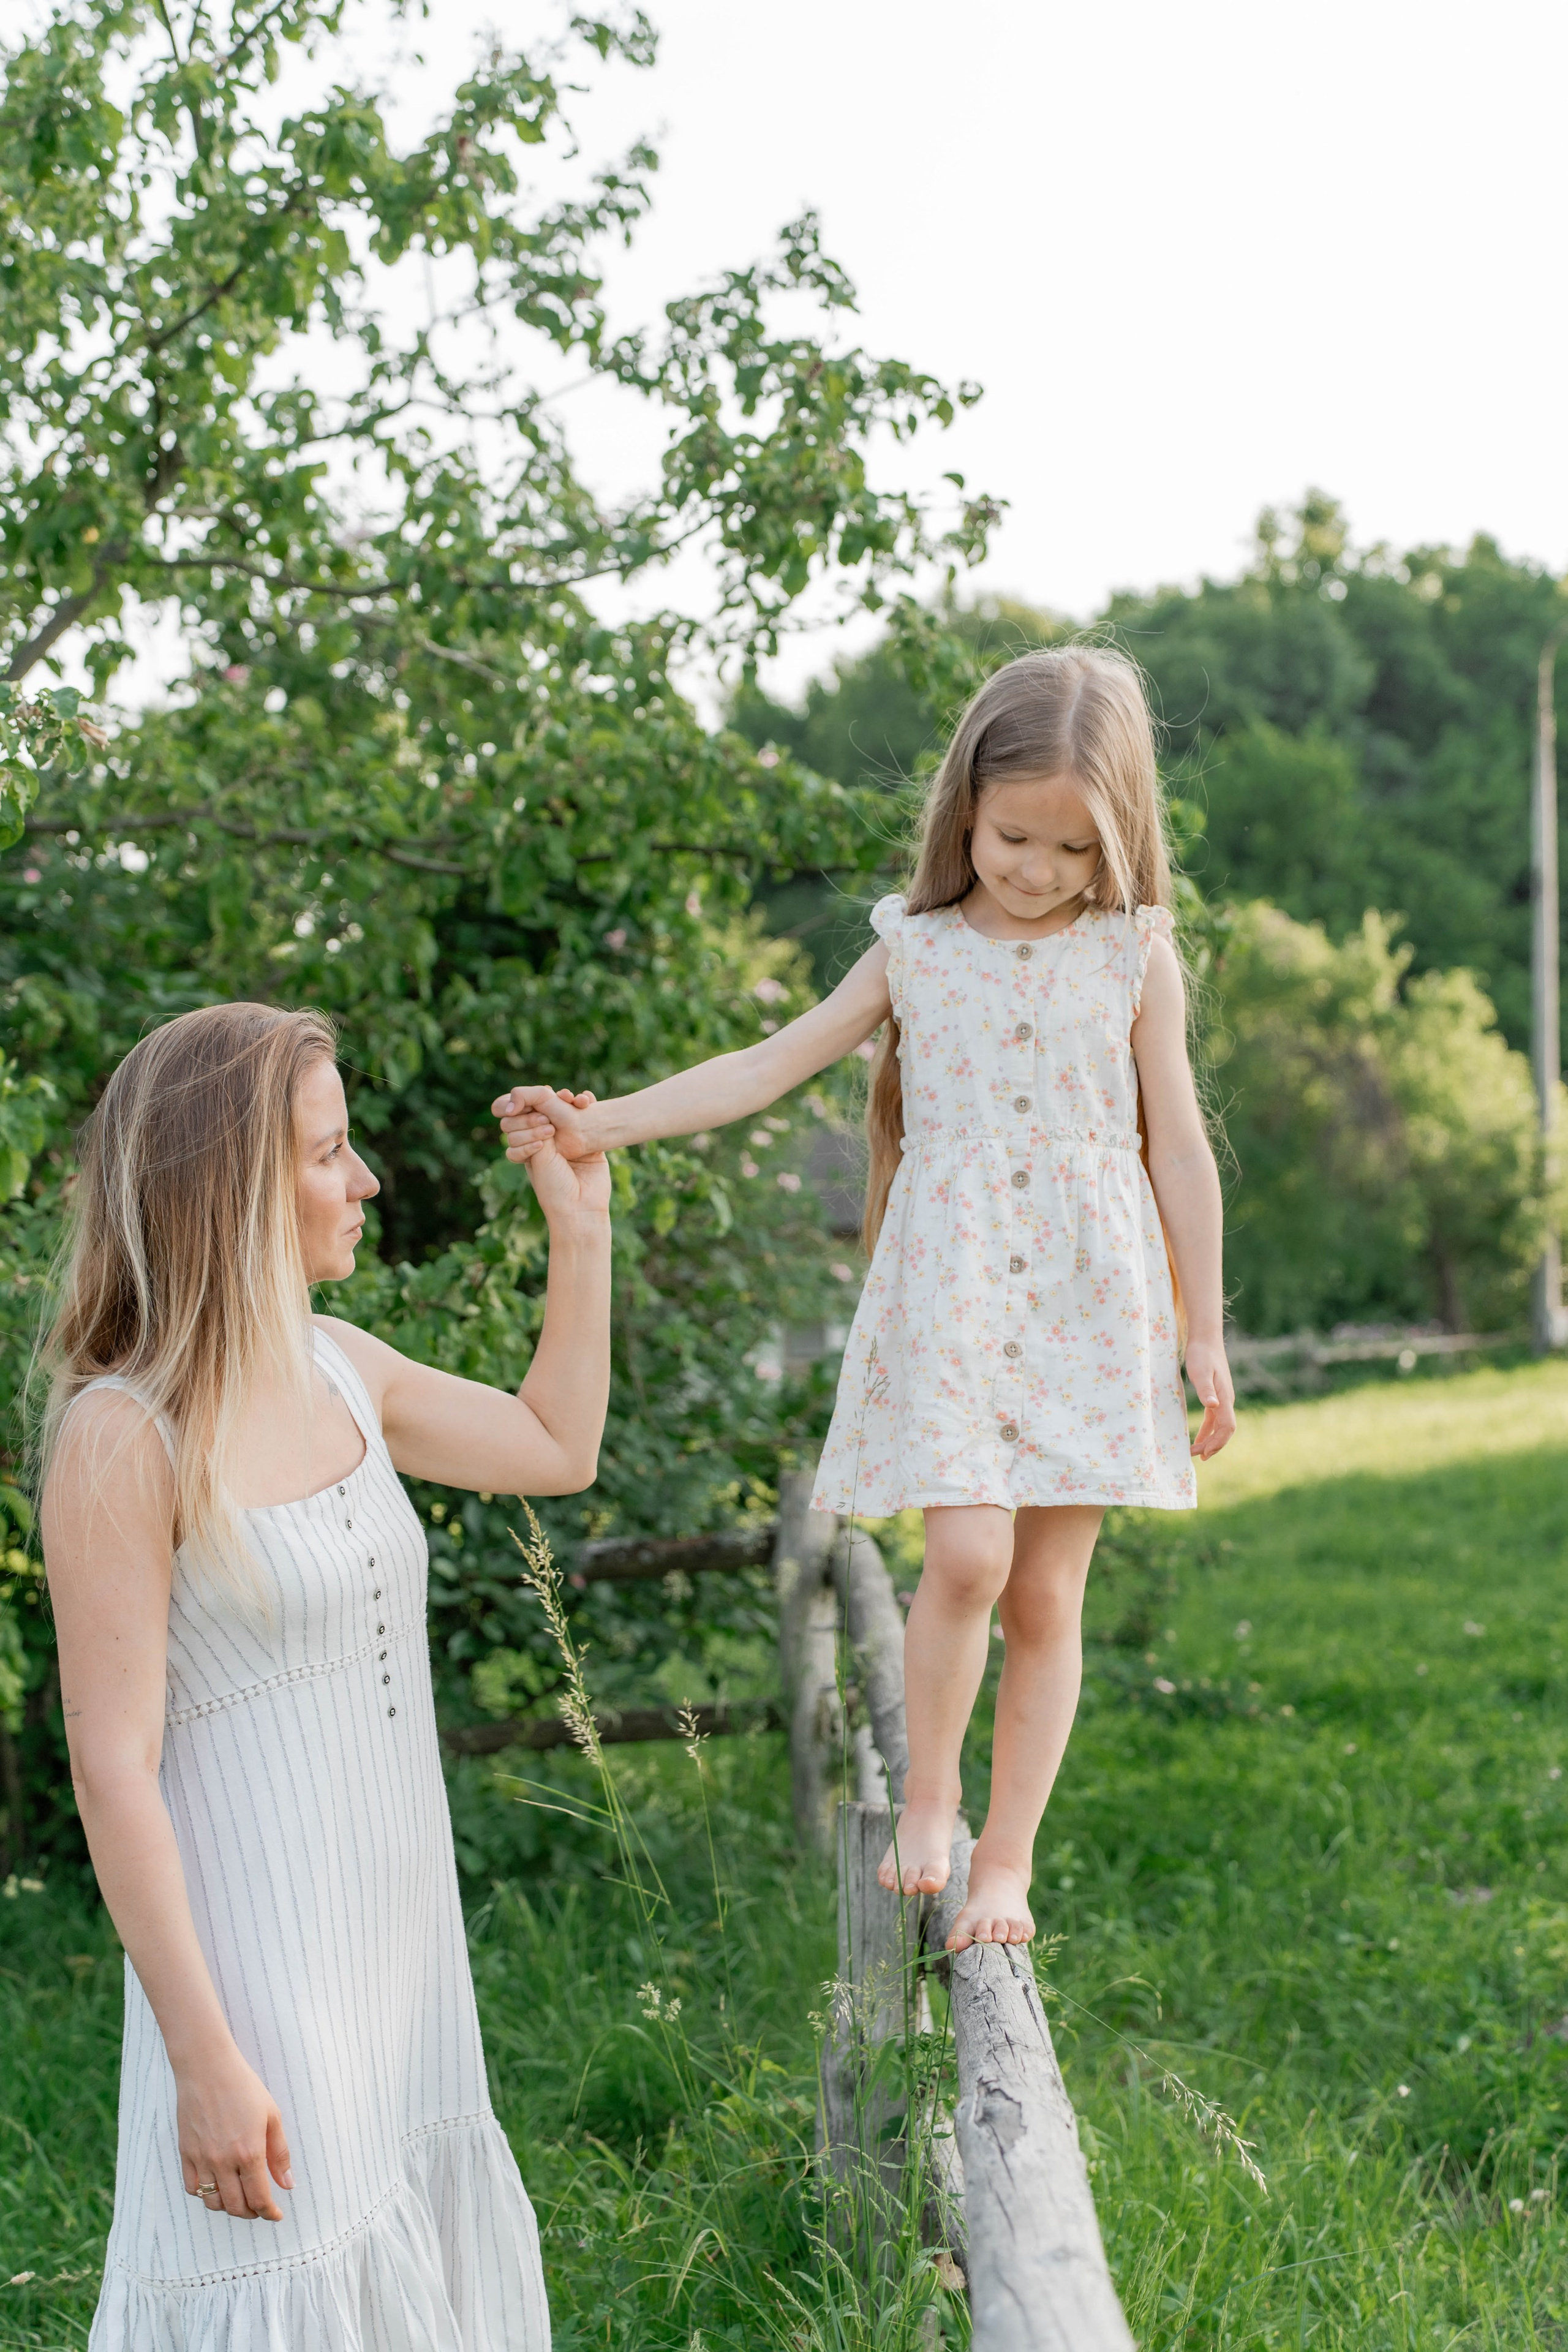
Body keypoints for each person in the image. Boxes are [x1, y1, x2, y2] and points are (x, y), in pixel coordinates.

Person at [496, 645, 1235, 1952]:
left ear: (1115, 841)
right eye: (1014, 836)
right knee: (965, 1555)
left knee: (1044, 1599)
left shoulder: (1134, 958)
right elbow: (763, 1066)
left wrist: (1202, 1326)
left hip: (1090, 1299)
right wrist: (599, 1122)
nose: (1038, 871)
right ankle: (931, 1804)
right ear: (964, 809)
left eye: (1071, 850)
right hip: (950, 1291)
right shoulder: (915, 950)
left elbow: (1174, 1143)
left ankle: (1005, 1862)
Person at [39, 1003, 609, 2348]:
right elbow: (112, 1771)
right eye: (327, 1153)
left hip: (400, 1961)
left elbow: (552, 1444)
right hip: (256, 1982)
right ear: (227, 1190)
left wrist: (578, 1237)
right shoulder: (121, 1437)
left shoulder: (341, 1369)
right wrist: (201, 2059)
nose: (362, 1181)